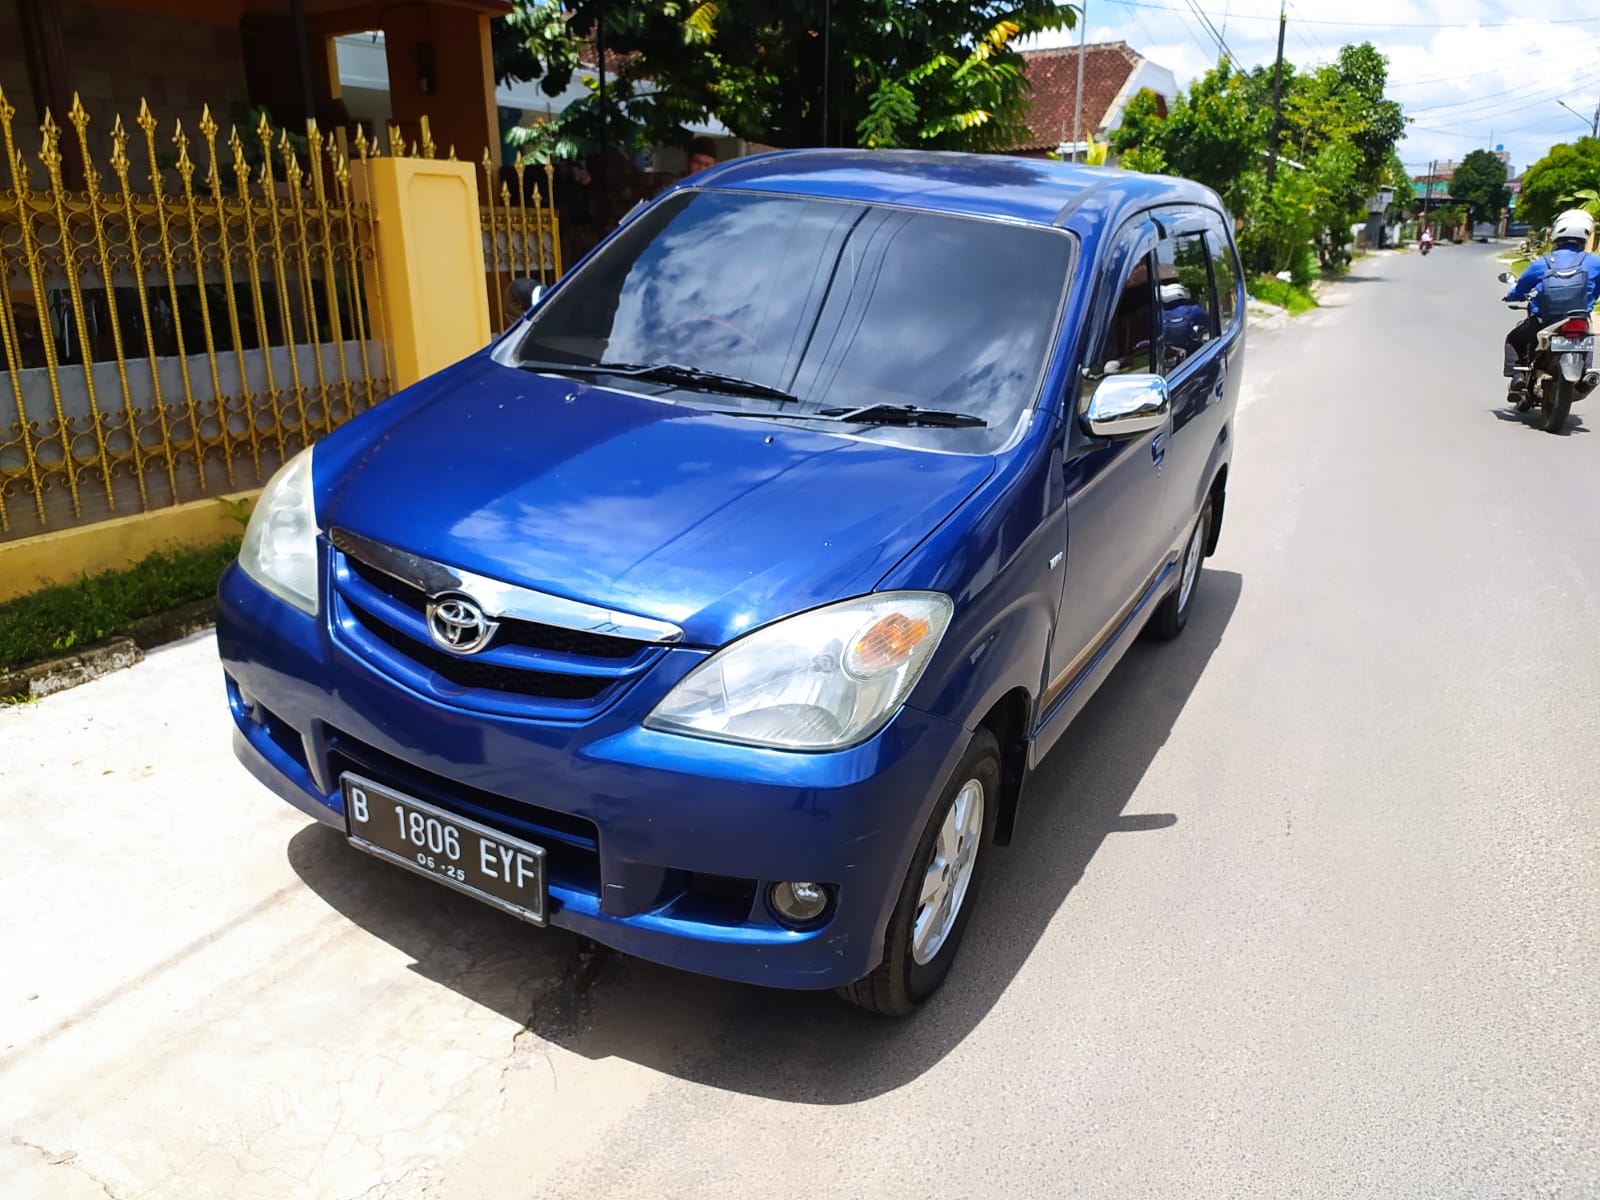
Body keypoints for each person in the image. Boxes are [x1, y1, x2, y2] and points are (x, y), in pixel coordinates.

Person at [1503, 208, 1600, 395]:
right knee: (1586, 338)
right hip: (1578, 319)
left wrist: (1512, 296)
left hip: (1544, 321)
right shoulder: (1595, 263)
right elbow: (1597, 290)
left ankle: (1518, 376)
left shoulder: (1543, 263)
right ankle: (1586, 375)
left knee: (1514, 339)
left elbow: (1521, 287)